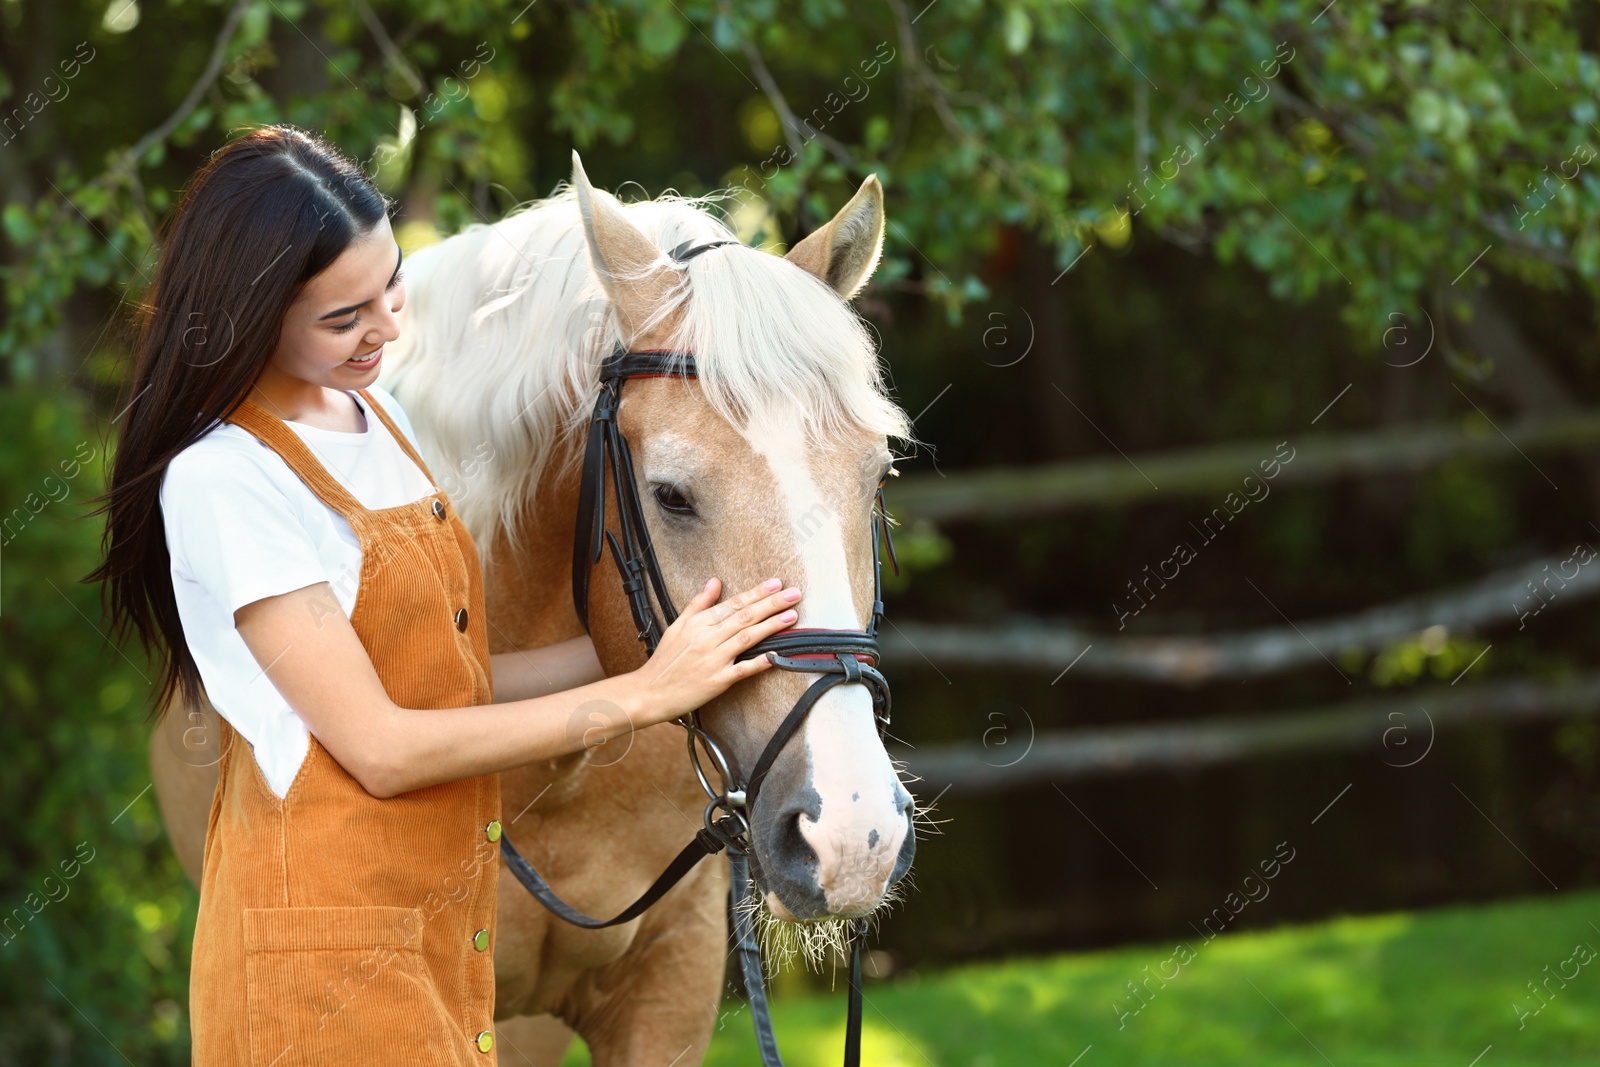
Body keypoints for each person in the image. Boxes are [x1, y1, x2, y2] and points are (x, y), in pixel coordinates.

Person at [88, 124, 800, 1065]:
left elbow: (453, 679)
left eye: (389, 288)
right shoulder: (227, 479)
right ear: (252, 319)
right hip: (325, 966)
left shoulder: (377, 418)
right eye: (343, 319)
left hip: (434, 939)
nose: (386, 329)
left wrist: (664, 643)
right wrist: (636, 697)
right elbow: (382, 745)